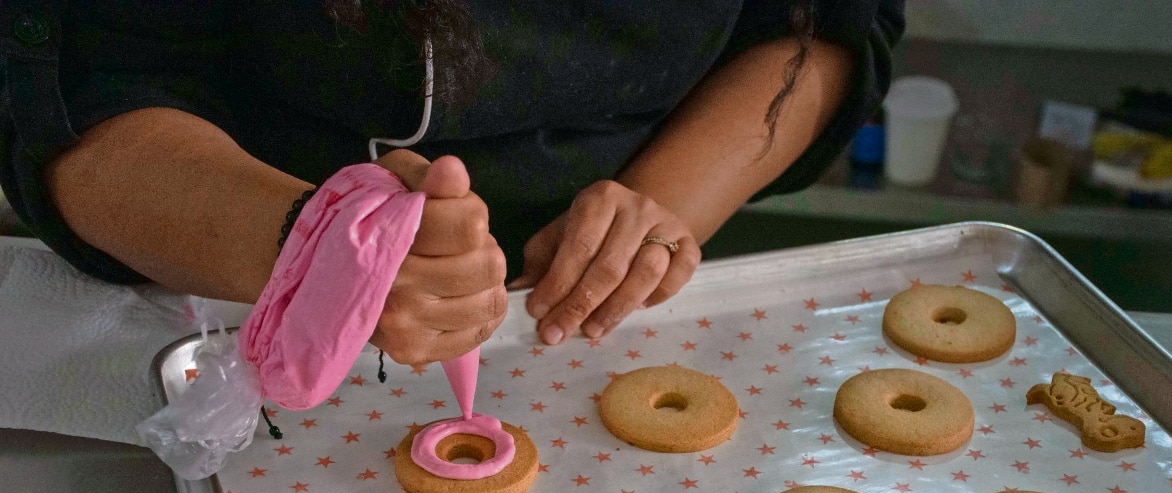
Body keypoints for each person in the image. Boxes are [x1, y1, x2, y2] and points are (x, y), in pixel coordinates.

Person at [0, 1, 903, 363]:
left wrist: (661, 208)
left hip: (609, 318)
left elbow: (820, 21)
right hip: (223, 282)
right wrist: (312, 248)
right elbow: (86, 88)